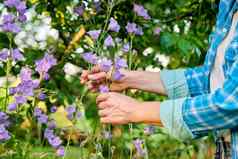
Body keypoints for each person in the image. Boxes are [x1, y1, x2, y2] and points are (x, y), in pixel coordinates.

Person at [81, 0, 238, 158]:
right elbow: (209, 79)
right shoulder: (228, 5)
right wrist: (126, 78)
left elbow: (231, 104)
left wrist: (138, 110)